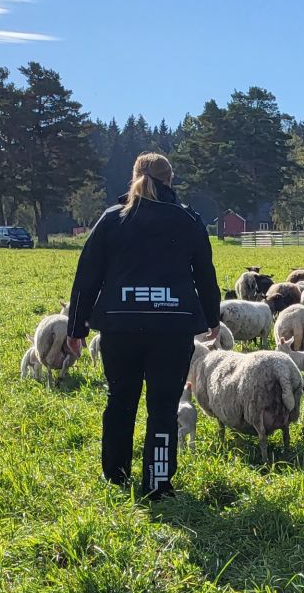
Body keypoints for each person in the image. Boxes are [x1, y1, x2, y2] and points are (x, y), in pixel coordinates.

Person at [66, 153, 220, 499]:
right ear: (171, 180)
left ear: (133, 176)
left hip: (119, 327)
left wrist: (76, 327)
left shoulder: (112, 219)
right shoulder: (188, 221)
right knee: (164, 408)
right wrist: (212, 319)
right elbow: (205, 276)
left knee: (120, 400)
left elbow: (86, 276)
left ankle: (115, 477)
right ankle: (158, 484)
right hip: (173, 329)